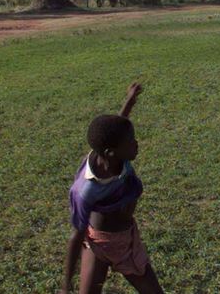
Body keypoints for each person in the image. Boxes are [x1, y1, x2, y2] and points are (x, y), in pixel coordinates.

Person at [61, 83, 164, 294]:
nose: (136, 144)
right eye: (130, 142)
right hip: (98, 245)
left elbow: (118, 126)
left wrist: (130, 100)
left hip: (126, 243)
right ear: (110, 153)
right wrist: (65, 287)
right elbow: (75, 236)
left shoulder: (114, 152)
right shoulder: (85, 190)